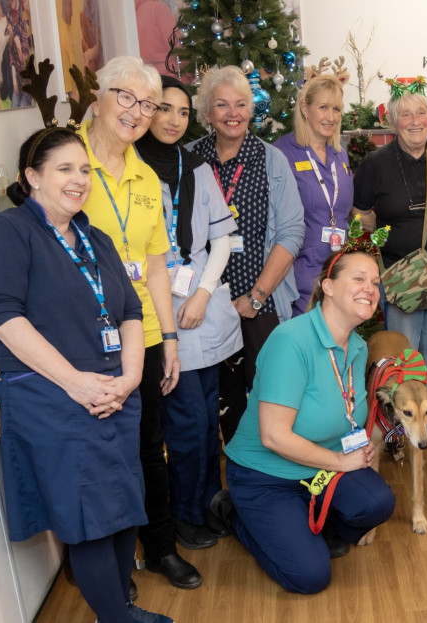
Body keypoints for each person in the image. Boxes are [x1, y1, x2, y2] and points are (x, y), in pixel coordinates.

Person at [0, 128, 173, 623]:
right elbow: (3, 318)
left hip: (114, 394)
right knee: (90, 519)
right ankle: (117, 618)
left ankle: (119, 608)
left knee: (124, 508)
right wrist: (76, 383)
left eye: (84, 170)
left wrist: (128, 379)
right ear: (31, 177)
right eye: (64, 169)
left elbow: (126, 311)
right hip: (54, 400)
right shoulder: (6, 233)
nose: (78, 180)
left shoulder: (92, 236)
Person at [79, 55, 204, 589]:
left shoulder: (148, 178)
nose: (136, 111)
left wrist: (170, 338)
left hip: (144, 335)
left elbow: (156, 264)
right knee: (98, 451)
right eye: (125, 97)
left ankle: (158, 548)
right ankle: (105, 562)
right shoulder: (69, 163)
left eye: (146, 103)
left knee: (149, 446)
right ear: (100, 97)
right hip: (82, 336)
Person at [213, 246, 395, 594]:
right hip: (265, 474)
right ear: (328, 286)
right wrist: (342, 461)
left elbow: (346, 411)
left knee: (378, 503)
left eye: (375, 282)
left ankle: (307, 521)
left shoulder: (356, 345)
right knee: (310, 577)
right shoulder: (291, 341)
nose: (370, 289)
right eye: (358, 278)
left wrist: (357, 448)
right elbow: (274, 437)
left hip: (319, 469)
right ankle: (235, 514)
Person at [134, 75, 242, 549]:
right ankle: (184, 513)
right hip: (156, 305)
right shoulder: (128, 167)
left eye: (182, 112)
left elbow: (223, 238)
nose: (174, 120)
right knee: (183, 426)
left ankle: (210, 503)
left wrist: (201, 293)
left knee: (205, 419)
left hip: (202, 304)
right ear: (147, 111)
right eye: (164, 109)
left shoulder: (197, 168)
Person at [189, 66, 305, 443]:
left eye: (241, 104)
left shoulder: (272, 161)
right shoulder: (188, 161)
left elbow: (291, 233)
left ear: (251, 110)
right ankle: (223, 477)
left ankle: (264, 473)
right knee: (215, 397)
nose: (232, 112)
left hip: (260, 303)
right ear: (207, 112)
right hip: (204, 303)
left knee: (266, 394)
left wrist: (257, 296)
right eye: (221, 104)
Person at [353, 81, 427, 447]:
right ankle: (399, 423)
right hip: (400, 278)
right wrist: (388, 236)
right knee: (403, 355)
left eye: (421, 112)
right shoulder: (375, 164)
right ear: (393, 122)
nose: (415, 121)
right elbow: (359, 215)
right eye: (406, 114)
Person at [273, 74, 353, 317]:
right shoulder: (281, 153)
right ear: (304, 108)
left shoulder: (340, 155)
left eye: (336, 109)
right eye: (323, 107)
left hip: (340, 275)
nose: (331, 117)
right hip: (300, 279)